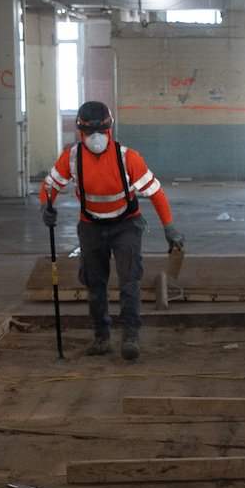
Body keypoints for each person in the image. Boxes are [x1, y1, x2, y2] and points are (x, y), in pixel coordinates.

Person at [40, 100, 184, 360]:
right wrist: (45, 206)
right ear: (80, 134)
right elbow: (50, 185)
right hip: (91, 227)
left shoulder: (127, 158)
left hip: (125, 225)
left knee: (129, 281)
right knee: (95, 285)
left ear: (110, 132)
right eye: (89, 134)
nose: (96, 139)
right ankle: (102, 337)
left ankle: (130, 336)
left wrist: (170, 229)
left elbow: (156, 193)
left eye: (102, 133)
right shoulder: (72, 158)